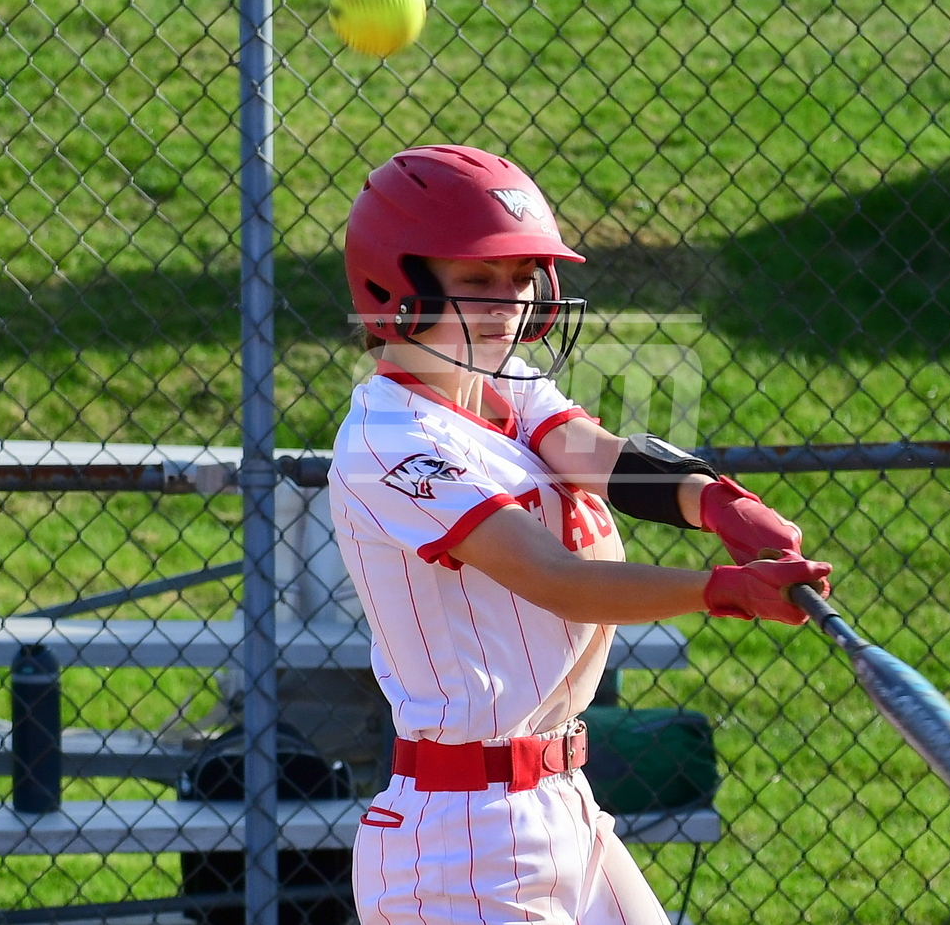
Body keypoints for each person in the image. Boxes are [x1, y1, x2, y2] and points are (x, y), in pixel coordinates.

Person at [328, 144, 831, 925]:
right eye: (478, 280)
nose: (509, 304)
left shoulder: (506, 387)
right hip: (462, 844)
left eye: (522, 279)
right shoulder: (389, 439)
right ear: (396, 284)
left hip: (564, 801)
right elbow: (556, 579)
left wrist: (717, 503)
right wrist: (722, 591)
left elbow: (601, 456)